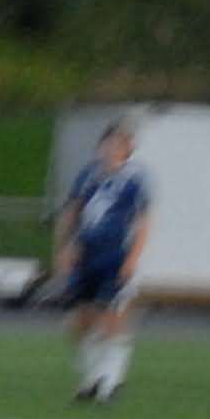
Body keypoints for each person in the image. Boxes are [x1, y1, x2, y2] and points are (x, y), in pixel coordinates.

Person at [55, 119, 154, 403]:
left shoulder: (135, 179)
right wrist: (65, 248)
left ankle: (109, 382)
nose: (112, 148)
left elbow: (143, 221)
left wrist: (133, 257)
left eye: (120, 143)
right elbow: (71, 212)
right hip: (87, 256)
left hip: (116, 255)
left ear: (128, 148)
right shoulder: (88, 175)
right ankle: (90, 378)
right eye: (109, 142)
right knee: (81, 322)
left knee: (113, 317)